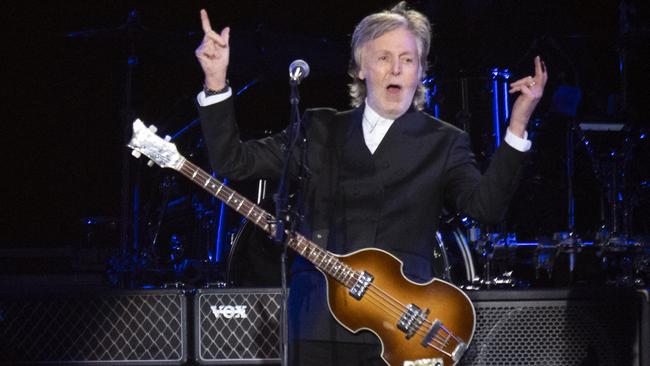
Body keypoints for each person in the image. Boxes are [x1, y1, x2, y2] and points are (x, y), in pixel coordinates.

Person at [195, 2, 547, 365]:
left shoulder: (444, 141)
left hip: (404, 329)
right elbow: (233, 162)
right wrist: (216, 81)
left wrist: (517, 128)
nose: (396, 68)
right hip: (317, 321)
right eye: (383, 58)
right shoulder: (318, 128)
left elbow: (484, 208)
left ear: (420, 71)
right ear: (361, 68)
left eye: (408, 60)